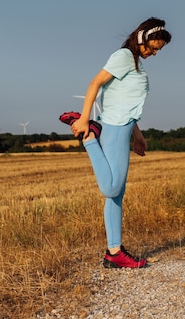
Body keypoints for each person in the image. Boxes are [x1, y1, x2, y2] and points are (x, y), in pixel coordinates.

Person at [59, 17, 172, 268]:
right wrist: (85, 121)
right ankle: (90, 138)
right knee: (110, 189)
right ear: (142, 38)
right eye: (152, 48)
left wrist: (137, 134)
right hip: (112, 128)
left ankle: (114, 252)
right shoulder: (123, 56)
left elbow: (126, 103)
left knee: (116, 196)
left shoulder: (135, 63)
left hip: (123, 127)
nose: (154, 54)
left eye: (158, 51)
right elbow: (95, 83)